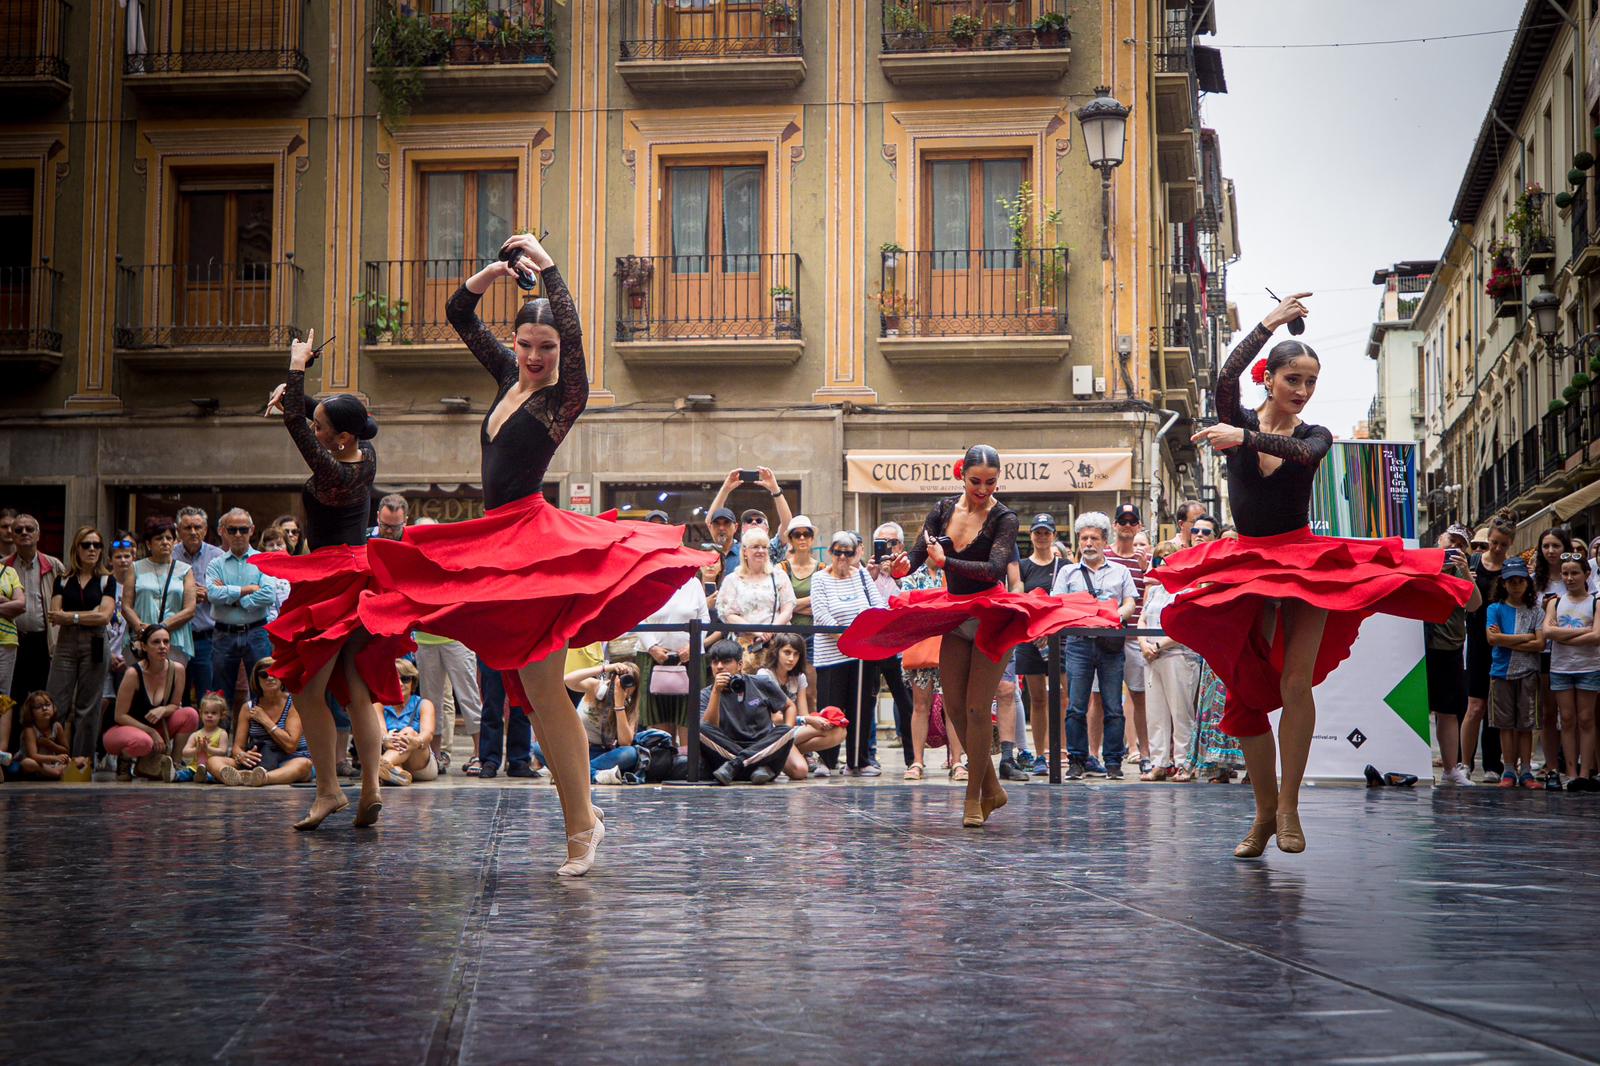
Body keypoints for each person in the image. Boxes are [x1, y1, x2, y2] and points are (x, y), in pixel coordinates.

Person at [359, 233, 712, 875]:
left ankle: (581, 826)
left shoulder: (561, 398)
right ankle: (581, 814)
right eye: (526, 345)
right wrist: (495, 271)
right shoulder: (505, 374)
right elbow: (458, 316)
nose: (536, 357)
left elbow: (575, 344)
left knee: (547, 693)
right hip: (500, 537)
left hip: (534, 545)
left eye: (545, 349)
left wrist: (551, 271)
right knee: (531, 687)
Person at [1164, 292, 1471, 857]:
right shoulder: (1235, 414)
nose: (1302, 390)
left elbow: (1303, 454)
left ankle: (1288, 808)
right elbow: (1226, 376)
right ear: (1270, 378)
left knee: (1294, 682)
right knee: (1246, 699)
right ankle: (1261, 816)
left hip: (1303, 563)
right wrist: (1268, 322)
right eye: (1293, 379)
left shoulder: (1315, 434)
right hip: (1247, 564)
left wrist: (1244, 439)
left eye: (1311, 380)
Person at [840, 445, 1119, 827]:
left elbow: (992, 570)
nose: (983, 489)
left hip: (991, 615)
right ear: (962, 477)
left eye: (990, 482)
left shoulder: (1003, 517)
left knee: (976, 708)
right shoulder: (941, 510)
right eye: (976, 482)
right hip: (955, 613)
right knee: (953, 707)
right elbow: (920, 556)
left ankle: (973, 799)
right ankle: (993, 788)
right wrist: (902, 565)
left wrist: (947, 561)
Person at [256, 332, 413, 830]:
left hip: (328, 577)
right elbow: (307, 413)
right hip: (363, 574)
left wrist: (296, 369)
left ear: (339, 437)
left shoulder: (330, 472)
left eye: (321, 425)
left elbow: (296, 426)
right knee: (358, 687)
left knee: (307, 686)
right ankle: (368, 786)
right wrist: (296, 394)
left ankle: (328, 791)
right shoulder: (365, 454)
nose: (314, 426)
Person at [1052, 512, 1139, 780]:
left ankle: (1113, 762)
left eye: (1094, 538)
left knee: (1113, 705)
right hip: (1079, 644)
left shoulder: (1120, 571)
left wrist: (1115, 616)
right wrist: (1084, 613)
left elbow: (1130, 602)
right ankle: (1077, 760)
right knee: (1076, 705)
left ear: (1104, 542)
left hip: (1110, 645)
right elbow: (1058, 604)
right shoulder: (1067, 571)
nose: (1088, 543)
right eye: (1084, 538)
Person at [810, 531, 888, 775]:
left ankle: (858, 761)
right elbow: (821, 614)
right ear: (831, 553)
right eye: (838, 551)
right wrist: (848, 639)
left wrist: (865, 636)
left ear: (856, 554)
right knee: (831, 708)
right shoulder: (820, 579)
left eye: (848, 552)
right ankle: (827, 760)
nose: (842, 557)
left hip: (862, 655)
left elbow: (879, 606)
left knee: (862, 707)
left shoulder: (863, 576)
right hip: (832, 656)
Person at [45, 526, 116, 764]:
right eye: (87, 545)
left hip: (95, 643)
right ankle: (52, 758)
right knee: (56, 702)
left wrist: (72, 616)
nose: (92, 549)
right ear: (76, 548)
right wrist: (89, 614)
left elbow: (104, 617)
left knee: (89, 706)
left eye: (97, 545)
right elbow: (55, 615)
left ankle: (82, 761)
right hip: (65, 644)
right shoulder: (63, 580)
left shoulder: (107, 580)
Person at [1139, 542, 1201, 780]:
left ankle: (1185, 763)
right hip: (1151, 658)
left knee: (1181, 713)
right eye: (1158, 559)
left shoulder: (1186, 591)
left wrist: (1157, 645)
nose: (1163, 563)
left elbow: (1186, 625)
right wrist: (1144, 644)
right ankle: (1159, 763)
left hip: (1178, 655)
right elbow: (1142, 619)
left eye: (1168, 558)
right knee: (1156, 713)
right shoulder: (1155, 590)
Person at [104, 624, 198, 781]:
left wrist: (164, 710)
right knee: (144, 741)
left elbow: (175, 705)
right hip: (126, 730)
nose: (162, 646)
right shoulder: (133, 673)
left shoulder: (178, 670)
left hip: (159, 728)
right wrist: (151, 731)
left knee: (191, 714)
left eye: (166, 642)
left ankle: (173, 765)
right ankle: (125, 760)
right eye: (156, 642)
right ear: (144, 646)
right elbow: (119, 716)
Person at [1430, 525, 1486, 786]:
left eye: (1460, 544)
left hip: (1448, 648)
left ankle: (1452, 769)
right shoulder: (1423, 564)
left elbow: (1474, 605)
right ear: (1439, 540)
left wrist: (1465, 572)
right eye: (1450, 540)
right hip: (1418, 648)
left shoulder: (1463, 574)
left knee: (1448, 711)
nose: (1453, 546)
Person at [1463, 509, 1516, 781]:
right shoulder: (1473, 563)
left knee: (1496, 707)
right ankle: (1464, 763)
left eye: (1503, 545)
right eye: (1494, 542)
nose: (1496, 548)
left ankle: (1493, 766)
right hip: (1475, 639)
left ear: (1510, 545)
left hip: (1501, 641)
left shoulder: (1512, 568)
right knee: (1474, 706)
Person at [698, 639, 797, 785]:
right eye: (714, 662)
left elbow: (789, 706)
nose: (719, 667)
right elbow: (710, 727)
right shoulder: (706, 694)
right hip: (728, 752)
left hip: (762, 750)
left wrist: (786, 730)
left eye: (725, 662)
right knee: (700, 728)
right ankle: (752, 767)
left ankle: (737, 766)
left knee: (786, 730)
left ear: (739, 665)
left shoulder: (761, 683)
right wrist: (716, 693)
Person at [206, 509, 277, 705]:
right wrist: (247, 590)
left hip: (256, 631)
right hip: (223, 634)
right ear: (224, 531)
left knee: (263, 691)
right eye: (232, 529)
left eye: (243, 530)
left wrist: (236, 599)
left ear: (252, 530)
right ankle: (221, 736)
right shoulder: (215, 564)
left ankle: (258, 735)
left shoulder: (263, 560)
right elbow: (212, 594)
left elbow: (269, 594)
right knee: (219, 696)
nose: (238, 534)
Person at [1543, 551, 1600, 789]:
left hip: (1589, 666)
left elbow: (1597, 636)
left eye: (1574, 573)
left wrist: (1563, 637)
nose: (1569, 578)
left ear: (1586, 574)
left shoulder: (1596, 602)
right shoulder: (1555, 602)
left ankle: (1586, 772)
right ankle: (1571, 772)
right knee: (1566, 719)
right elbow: (1547, 632)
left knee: (1586, 718)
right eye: (1565, 573)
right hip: (1561, 667)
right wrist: (1583, 633)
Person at [1485, 558, 1544, 789]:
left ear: (1527, 583)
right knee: (1505, 724)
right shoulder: (1495, 609)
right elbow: (1492, 639)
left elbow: (1540, 644)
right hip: (1501, 671)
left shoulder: (1536, 611)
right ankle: (1508, 768)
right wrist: (1526, 637)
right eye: (1512, 582)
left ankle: (1526, 770)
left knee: (1525, 725)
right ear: (1504, 584)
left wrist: (1505, 640)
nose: (1516, 585)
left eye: (1521, 581)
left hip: (1528, 671)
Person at [635, 573, 710, 747]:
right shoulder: (645, 579)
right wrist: (652, 646)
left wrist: (693, 645)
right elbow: (636, 614)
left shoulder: (693, 583)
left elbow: (705, 618)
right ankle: (664, 762)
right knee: (658, 716)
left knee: (689, 716)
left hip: (689, 658)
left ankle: (687, 766)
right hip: (653, 657)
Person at [1104, 502, 1153, 774]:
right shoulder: (1105, 556)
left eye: (1131, 521)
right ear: (1114, 525)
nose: (1126, 526)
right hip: (1108, 635)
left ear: (1139, 526)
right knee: (1098, 698)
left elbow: (1154, 594)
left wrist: (1146, 568)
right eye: (1122, 521)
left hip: (1136, 637)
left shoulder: (1144, 558)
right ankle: (1093, 754)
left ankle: (1144, 752)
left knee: (1139, 696)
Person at [1014, 514, 1063, 775]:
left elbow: (1067, 602)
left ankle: (1064, 751)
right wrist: (1035, 629)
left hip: (1058, 638)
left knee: (1064, 696)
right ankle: (1041, 755)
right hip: (1030, 638)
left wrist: (1050, 629)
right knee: (1038, 698)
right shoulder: (1022, 566)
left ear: (1054, 535)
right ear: (1031, 535)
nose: (1042, 537)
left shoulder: (1064, 565)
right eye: (1038, 532)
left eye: (1046, 532)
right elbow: (1020, 600)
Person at [217, 657, 313, 787]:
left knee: (303, 765)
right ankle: (241, 777)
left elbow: (290, 746)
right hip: (259, 760)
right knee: (213, 761)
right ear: (257, 679)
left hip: (290, 760)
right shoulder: (248, 707)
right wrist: (242, 755)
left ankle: (263, 778)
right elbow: (237, 746)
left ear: (282, 676)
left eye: (275, 673)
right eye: (264, 674)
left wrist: (265, 720)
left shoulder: (294, 703)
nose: (270, 678)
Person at [551, 657, 644, 784]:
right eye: (622, 679)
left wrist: (619, 705)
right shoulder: (596, 688)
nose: (625, 685)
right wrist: (606, 668)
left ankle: (568, 773)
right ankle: (595, 775)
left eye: (630, 682)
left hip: (601, 754)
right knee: (540, 747)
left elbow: (625, 742)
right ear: (613, 678)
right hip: (576, 748)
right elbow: (567, 680)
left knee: (630, 753)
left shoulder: (630, 707)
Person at [121, 517, 197, 670]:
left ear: (175, 542)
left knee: (172, 687)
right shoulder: (135, 568)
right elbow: (126, 606)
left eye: (169, 538)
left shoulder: (185, 570)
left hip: (174, 640)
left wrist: (160, 628)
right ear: (148, 544)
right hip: (141, 639)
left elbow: (190, 610)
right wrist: (141, 628)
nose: (165, 542)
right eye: (159, 538)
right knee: (140, 687)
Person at [3, 514, 64, 700]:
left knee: (44, 695)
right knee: (12, 696)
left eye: (29, 529)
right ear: (12, 536)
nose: (24, 533)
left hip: (43, 641)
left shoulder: (55, 566)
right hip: (12, 640)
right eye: (18, 530)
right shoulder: (3, 567)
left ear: (38, 535)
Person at [1532, 526, 1571, 787]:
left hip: (1572, 651)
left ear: (1564, 548)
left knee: (1571, 715)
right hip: (1544, 652)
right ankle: (1552, 766)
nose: (1551, 551)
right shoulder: (1534, 580)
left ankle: (1573, 765)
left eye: (1555, 545)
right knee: (1548, 712)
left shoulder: (1575, 575)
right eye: (1546, 546)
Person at [174, 506, 225, 703]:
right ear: (179, 530)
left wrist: (209, 593)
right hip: (177, 637)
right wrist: (186, 594)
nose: (193, 532)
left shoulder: (218, 557)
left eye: (198, 527)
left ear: (205, 530)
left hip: (207, 639)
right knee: (178, 696)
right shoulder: (169, 557)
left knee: (209, 696)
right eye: (187, 527)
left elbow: (229, 594)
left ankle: (208, 735)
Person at [717, 527, 796, 644]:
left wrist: (770, 631)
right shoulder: (732, 579)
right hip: (745, 645)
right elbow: (728, 614)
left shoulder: (779, 576)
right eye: (755, 547)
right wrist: (758, 631)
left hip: (776, 643)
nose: (761, 550)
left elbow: (787, 609)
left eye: (764, 547)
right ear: (745, 551)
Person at [707, 468, 793, 569]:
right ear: (741, 528)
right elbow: (711, 521)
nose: (754, 522)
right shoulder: (733, 549)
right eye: (748, 520)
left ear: (767, 529)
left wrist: (775, 489)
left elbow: (787, 524)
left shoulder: (771, 549)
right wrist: (725, 489)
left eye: (759, 520)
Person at [375, 659, 439, 786]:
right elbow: (380, 730)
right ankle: (396, 772)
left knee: (408, 732)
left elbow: (428, 734)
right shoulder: (379, 704)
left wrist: (414, 741)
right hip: (392, 754)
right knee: (394, 737)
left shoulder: (424, 704)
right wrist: (385, 739)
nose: (400, 683)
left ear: (413, 682)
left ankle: (381, 766)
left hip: (420, 764)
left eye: (405, 679)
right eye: (394, 679)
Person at [476, 659, 537, 779]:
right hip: (492, 648)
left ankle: (519, 760)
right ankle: (489, 760)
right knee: (491, 704)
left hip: (520, 648)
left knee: (521, 704)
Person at [17, 691, 85, 780]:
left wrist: (50, 745)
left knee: (82, 760)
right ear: (31, 711)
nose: (44, 708)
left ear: (53, 707)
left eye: (48, 704)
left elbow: (66, 750)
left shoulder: (56, 726)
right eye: (38, 707)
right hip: (38, 765)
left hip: (53, 763)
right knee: (27, 762)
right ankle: (55, 773)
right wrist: (55, 758)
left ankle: (56, 771)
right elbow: (33, 755)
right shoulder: (30, 729)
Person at [177, 692, 232, 783]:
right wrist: (196, 749)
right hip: (195, 767)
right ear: (200, 714)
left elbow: (223, 752)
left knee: (213, 776)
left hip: (212, 768)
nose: (209, 715)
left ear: (221, 715)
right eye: (206, 712)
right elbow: (185, 752)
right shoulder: (196, 734)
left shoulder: (222, 733)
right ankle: (175, 775)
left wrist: (208, 748)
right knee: (185, 773)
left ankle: (204, 777)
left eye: (214, 713)